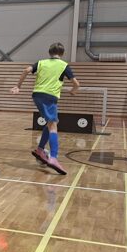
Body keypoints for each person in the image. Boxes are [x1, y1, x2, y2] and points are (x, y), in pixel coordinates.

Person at [10, 42, 80, 175]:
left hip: (37, 95)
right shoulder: (64, 65)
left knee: (51, 123)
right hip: (50, 97)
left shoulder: (41, 63)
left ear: (49, 52)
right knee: (53, 126)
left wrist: (18, 86)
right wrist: (73, 90)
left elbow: (26, 70)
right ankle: (53, 157)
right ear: (62, 53)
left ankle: (40, 149)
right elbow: (76, 83)